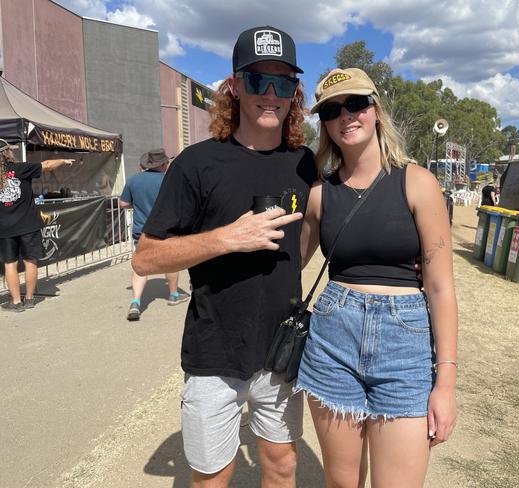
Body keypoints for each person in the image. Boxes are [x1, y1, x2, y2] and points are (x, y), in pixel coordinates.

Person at [131, 26, 316, 487]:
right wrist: (227, 239)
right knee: (212, 477)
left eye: (283, 82)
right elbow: (145, 259)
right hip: (214, 353)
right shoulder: (197, 163)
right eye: (257, 80)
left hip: (279, 351)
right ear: (233, 87)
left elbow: (315, 233)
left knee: (282, 465)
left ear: (295, 91)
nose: (270, 93)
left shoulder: (305, 162)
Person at [297, 68, 458, 487]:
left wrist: (446, 384)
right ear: (324, 124)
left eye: (356, 104)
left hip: (404, 346)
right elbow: (287, 266)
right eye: (332, 110)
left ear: (376, 110)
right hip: (332, 339)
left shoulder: (418, 183)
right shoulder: (319, 194)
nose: (346, 115)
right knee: (342, 483)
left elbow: (441, 289)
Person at [0, 139, 73, 311]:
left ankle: (16, 302)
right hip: (27, 224)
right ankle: (30, 299)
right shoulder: (21, 168)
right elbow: (47, 164)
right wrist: (63, 160)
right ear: (7, 153)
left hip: (4, 227)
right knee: (30, 260)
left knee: (10, 264)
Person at [119, 149, 189, 321]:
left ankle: (136, 301)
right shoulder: (169, 180)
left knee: (141, 265)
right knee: (171, 263)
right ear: (164, 164)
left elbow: (123, 204)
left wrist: (138, 206)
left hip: (142, 230)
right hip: (166, 229)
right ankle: (173, 295)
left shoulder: (134, 179)